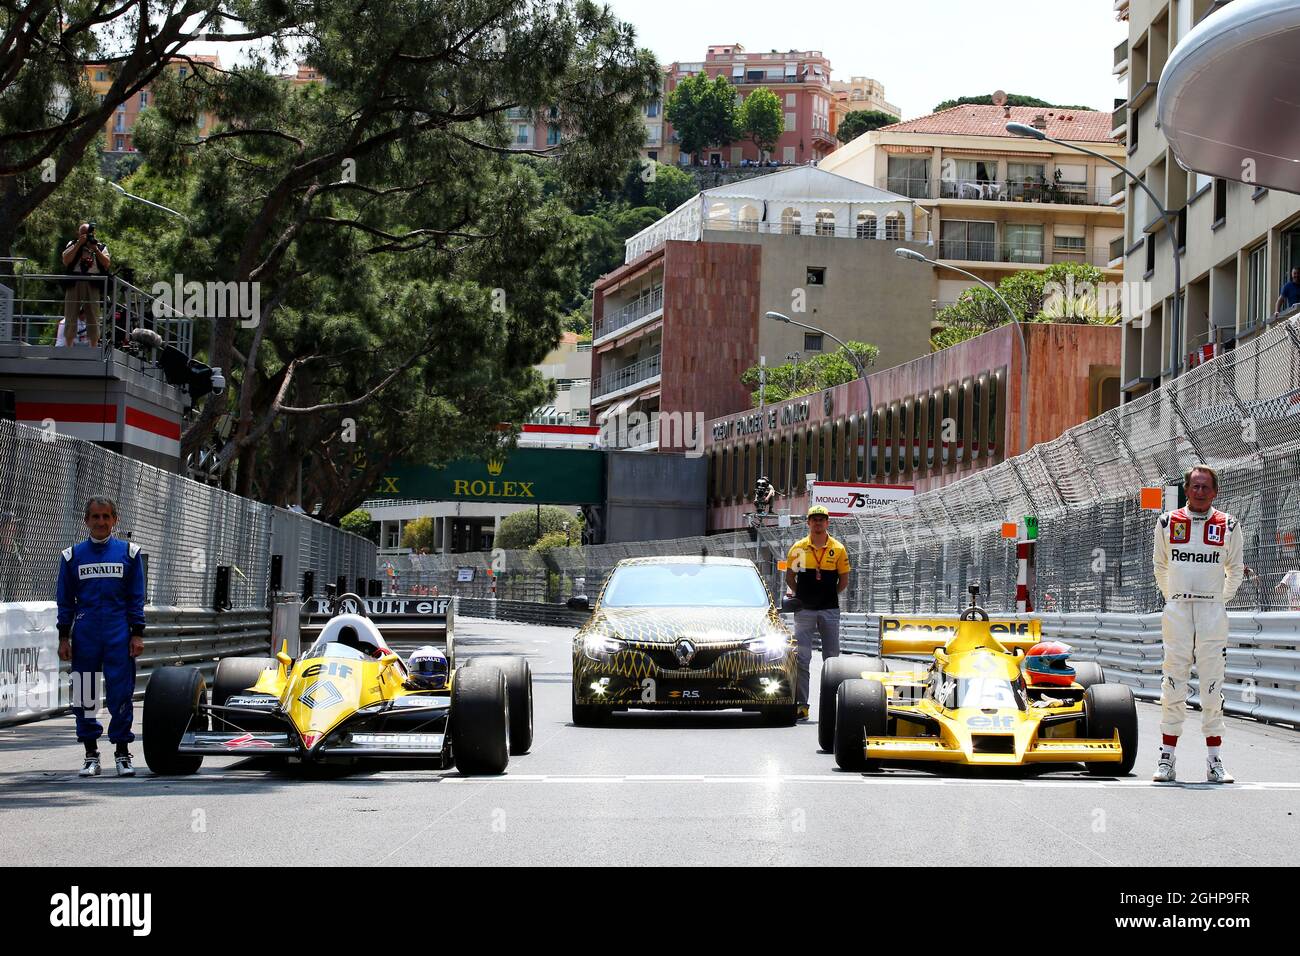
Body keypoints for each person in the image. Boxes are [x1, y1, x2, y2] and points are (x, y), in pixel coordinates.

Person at [1152, 465, 1244, 784]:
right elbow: (1160, 565)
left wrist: (1219, 600)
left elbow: (1235, 567)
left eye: (1206, 487)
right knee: (1173, 682)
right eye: (1194, 486)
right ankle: (1166, 758)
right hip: (1177, 609)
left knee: (1212, 685)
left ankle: (1214, 761)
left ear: (1215, 491)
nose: (1200, 491)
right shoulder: (1166, 522)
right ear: (1187, 489)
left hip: (1211, 611)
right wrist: (1172, 596)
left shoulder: (1229, 524)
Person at [56, 496, 146, 777]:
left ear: (114, 520)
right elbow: (65, 601)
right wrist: (63, 637)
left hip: (119, 633)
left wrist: (137, 633)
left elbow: (136, 598)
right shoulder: (71, 556)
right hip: (85, 633)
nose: (101, 522)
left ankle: (122, 753)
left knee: (121, 693)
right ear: (86, 520)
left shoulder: (129, 554)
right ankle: (91, 754)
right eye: (95, 517)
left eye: (106, 517)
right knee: (85, 692)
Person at [785, 505, 851, 720]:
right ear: (808, 523)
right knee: (802, 659)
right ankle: (802, 706)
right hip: (804, 612)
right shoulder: (800, 548)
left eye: (822, 519)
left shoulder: (838, 549)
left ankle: (832, 707)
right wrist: (800, 595)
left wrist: (828, 596)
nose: (818, 523)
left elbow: (844, 580)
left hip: (830, 611)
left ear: (828, 522)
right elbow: (790, 577)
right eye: (814, 519)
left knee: (832, 661)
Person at [61, 222, 111, 348]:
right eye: (82, 233)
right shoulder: (72, 244)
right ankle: (68, 345)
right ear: (78, 234)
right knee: (71, 314)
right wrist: (78, 244)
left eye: (87, 234)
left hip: (92, 282)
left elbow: (106, 264)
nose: (85, 236)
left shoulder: (100, 247)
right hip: (74, 281)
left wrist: (94, 249)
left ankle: (93, 345)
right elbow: (66, 261)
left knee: (93, 315)